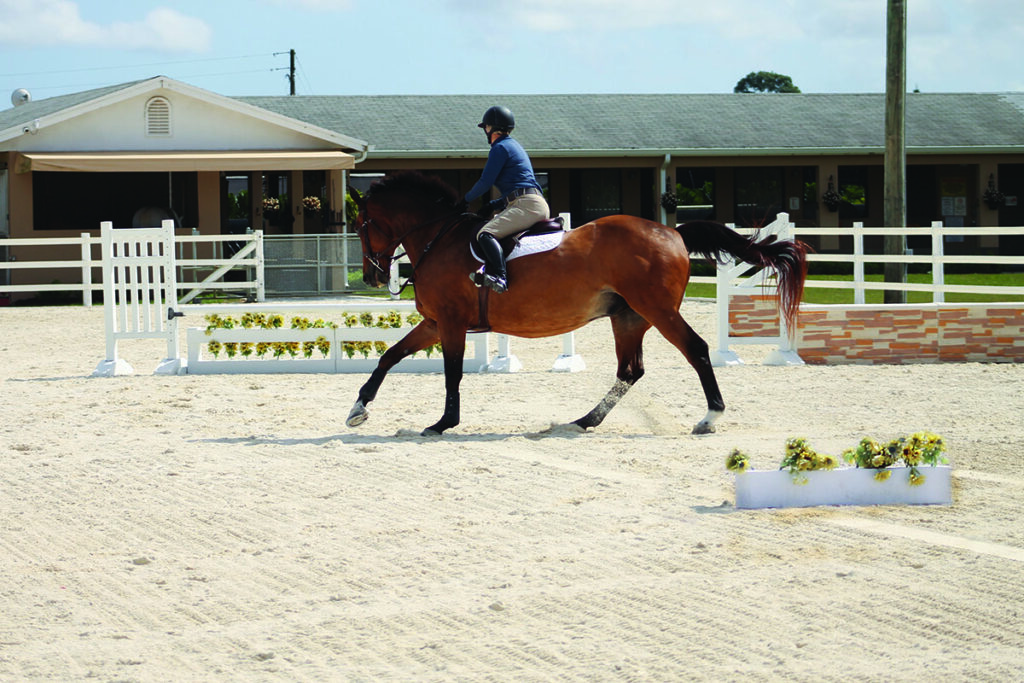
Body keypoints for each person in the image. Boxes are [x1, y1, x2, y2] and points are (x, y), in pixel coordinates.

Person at [463, 105, 550, 293]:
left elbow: (486, 181)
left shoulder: (500, 147)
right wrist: (493, 204)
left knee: (485, 234)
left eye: (485, 127)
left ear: (492, 128)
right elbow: (516, 186)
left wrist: (465, 199)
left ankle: (500, 277)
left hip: (526, 205)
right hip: (530, 201)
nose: (485, 131)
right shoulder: (513, 145)